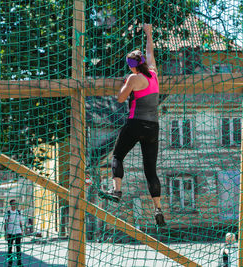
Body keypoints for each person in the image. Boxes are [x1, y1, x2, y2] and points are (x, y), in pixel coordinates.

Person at [99, 24, 166, 227]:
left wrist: (125, 84)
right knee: (150, 171)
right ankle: (158, 209)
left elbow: (120, 99)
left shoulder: (133, 78)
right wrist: (149, 33)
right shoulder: (153, 74)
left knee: (118, 155)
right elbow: (150, 51)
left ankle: (116, 190)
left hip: (136, 123)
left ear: (130, 64)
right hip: (153, 127)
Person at [4, 199, 23, 267]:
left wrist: (22, 231)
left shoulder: (18, 212)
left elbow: (20, 222)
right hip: (10, 233)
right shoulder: (8, 213)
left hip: (18, 232)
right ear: (11, 204)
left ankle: (19, 263)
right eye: (14, 204)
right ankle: (10, 263)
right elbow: (5, 223)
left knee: (18, 248)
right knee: (10, 249)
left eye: (16, 204)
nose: (15, 205)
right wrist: (6, 233)